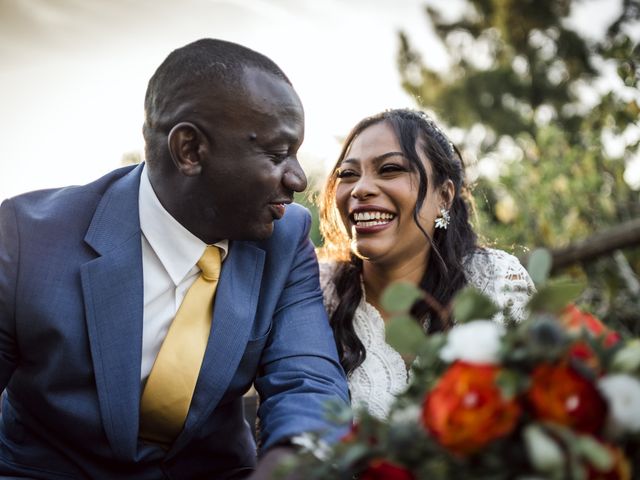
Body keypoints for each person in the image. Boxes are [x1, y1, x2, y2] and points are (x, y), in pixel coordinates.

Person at [0, 38, 349, 479]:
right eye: (278, 155)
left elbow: (309, 382)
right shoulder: (27, 236)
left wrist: (285, 470)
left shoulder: (286, 237)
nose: (299, 180)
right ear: (189, 150)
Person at [318, 108, 534, 418]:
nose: (360, 188)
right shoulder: (317, 294)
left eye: (390, 168)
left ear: (444, 197)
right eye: (348, 174)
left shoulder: (495, 282)